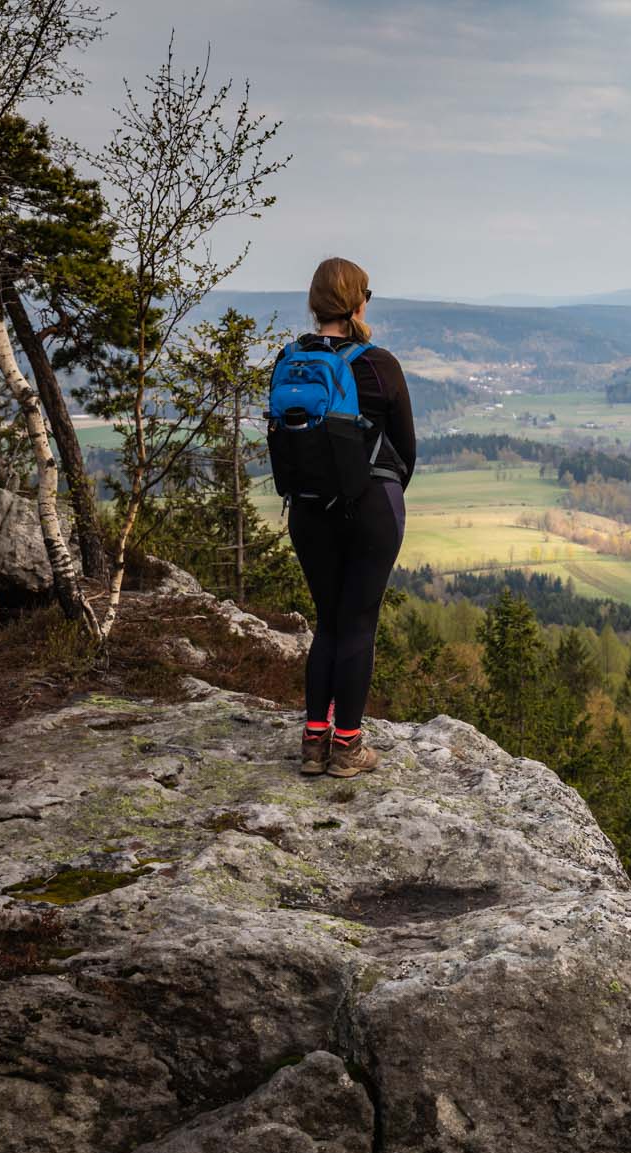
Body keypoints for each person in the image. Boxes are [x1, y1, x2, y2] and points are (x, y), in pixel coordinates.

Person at [283, 256, 416, 777]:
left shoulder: (290, 361)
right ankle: (348, 747)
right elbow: (405, 450)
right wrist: (376, 498)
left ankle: (313, 743)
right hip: (369, 509)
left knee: (329, 623)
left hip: (308, 511)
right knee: (360, 623)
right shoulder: (379, 363)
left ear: (316, 305)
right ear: (360, 302)